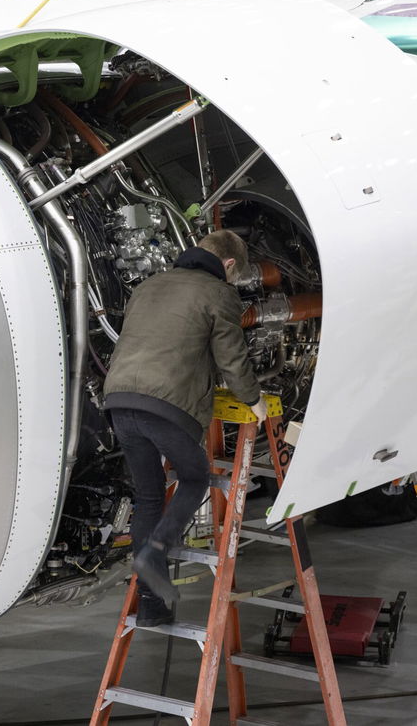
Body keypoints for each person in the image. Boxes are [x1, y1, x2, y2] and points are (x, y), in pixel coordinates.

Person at [102, 229, 267, 627]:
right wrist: (253, 400)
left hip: (120, 400)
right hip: (167, 405)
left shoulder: (148, 285)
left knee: (148, 495)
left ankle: (153, 606)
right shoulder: (220, 293)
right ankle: (156, 550)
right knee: (194, 478)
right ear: (228, 265)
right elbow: (231, 356)